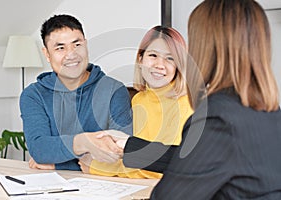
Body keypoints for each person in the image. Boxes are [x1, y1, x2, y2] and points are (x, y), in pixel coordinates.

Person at [103, 0, 281, 199]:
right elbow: (195, 159)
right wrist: (129, 146)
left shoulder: (217, 119)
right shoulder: (270, 113)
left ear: (206, 47)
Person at [19, 14, 132, 171]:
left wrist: (58, 163)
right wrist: (83, 143)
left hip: (102, 186)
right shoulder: (33, 95)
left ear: (85, 45)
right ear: (47, 54)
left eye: (77, 44)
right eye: (60, 48)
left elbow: (119, 151)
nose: (71, 54)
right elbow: (39, 149)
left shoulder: (114, 90)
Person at [78, 26, 193, 178]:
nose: (160, 65)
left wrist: (97, 168)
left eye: (170, 58)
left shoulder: (186, 103)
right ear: (140, 59)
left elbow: (159, 167)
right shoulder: (139, 99)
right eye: (153, 55)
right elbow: (134, 155)